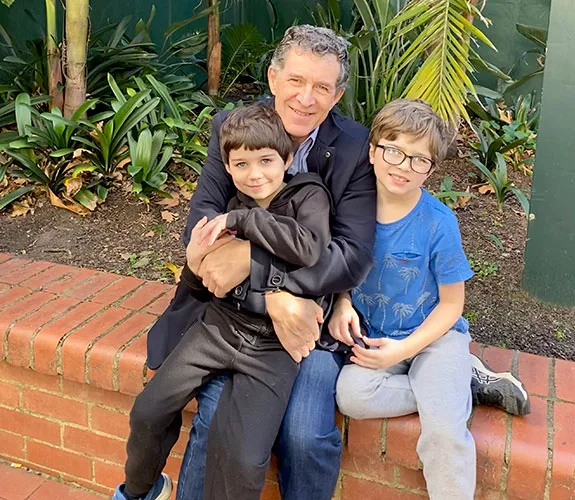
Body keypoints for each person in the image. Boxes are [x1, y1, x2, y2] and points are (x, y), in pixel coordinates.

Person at [149, 25, 528, 500]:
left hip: (317, 317)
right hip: (238, 314)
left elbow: (349, 254)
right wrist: (267, 295)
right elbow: (204, 225)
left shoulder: (354, 147)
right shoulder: (235, 126)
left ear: (338, 94)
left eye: (322, 87)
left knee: (305, 433)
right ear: (273, 77)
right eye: (296, 80)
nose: (306, 98)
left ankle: (449, 387)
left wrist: (262, 271)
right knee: (216, 414)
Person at [112, 103, 334, 500]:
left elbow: (308, 247)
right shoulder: (234, 204)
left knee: (245, 460)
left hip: (273, 348)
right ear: (228, 168)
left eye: (266, 161)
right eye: (241, 164)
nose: (255, 174)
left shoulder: (308, 196)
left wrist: (241, 223)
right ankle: (140, 492)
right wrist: (196, 263)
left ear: (287, 159)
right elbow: (207, 283)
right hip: (219, 329)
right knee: (149, 409)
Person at [331, 99, 530, 500]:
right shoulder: (351, 209)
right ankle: (462, 385)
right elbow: (340, 266)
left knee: (443, 431)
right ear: (372, 151)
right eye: (394, 151)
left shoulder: (439, 223)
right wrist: (341, 302)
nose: (403, 166)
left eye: (418, 159)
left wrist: (404, 350)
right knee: (351, 396)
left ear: (432, 168)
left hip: (435, 337)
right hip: (376, 337)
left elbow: (452, 305)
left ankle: (451, 386)